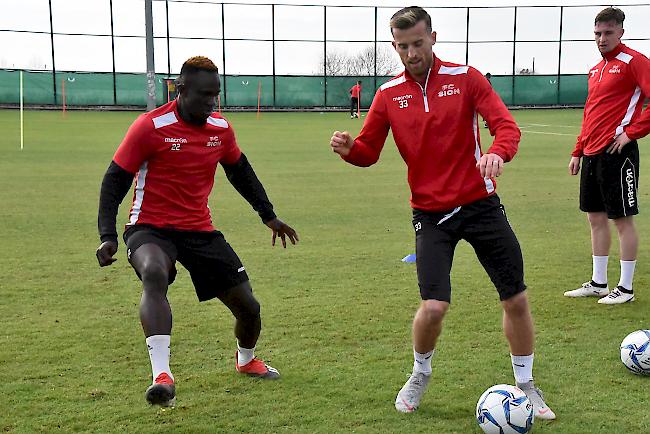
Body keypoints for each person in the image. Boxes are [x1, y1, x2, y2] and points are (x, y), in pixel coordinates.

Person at [329, 6, 555, 419]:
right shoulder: (386, 94)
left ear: (433, 37)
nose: (411, 53)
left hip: (480, 204)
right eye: (402, 46)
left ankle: (526, 386)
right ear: (394, 45)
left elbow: (506, 127)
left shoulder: (466, 79)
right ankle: (420, 373)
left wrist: (496, 153)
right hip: (431, 213)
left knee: (516, 298)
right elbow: (368, 152)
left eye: (417, 43)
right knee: (433, 307)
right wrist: (349, 151)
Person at [96, 56, 299, 407]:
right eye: (204, 95)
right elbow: (115, 179)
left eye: (216, 95)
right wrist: (107, 235)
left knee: (249, 308)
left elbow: (240, 172)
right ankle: (162, 375)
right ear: (181, 89)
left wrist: (269, 215)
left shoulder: (220, 130)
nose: (211, 102)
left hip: (199, 230)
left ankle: (247, 359)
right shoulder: (150, 126)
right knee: (155, 273)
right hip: (150, 227)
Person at [565, 7, 650, 304]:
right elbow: (591, 113)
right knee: (595, 218)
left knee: (622, 219)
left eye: (608, 33)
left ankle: (625, 288)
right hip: (591, 154)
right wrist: (578, 150)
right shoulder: (595, 70)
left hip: (618, 153)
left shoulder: (634, 62)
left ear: (621, 32)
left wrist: (632, 132)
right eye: (598, 34)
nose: (602, 39)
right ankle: (598, 282)